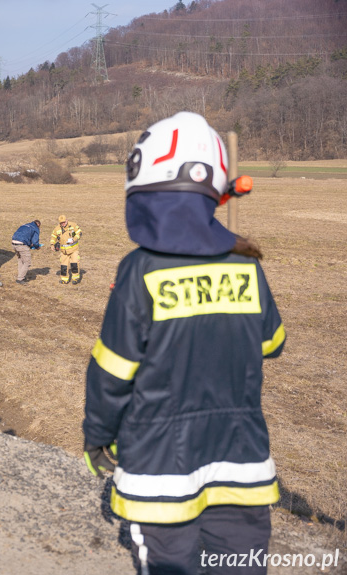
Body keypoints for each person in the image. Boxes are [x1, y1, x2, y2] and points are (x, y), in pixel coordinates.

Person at [82, 112, 285, 575]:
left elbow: (112, 371)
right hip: (241, 464)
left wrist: (98, 435)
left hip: (159, 468)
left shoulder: (141, 270)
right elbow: (273, 343)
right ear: (215, 188)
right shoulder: (246, 265)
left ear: (140, 183)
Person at [49, 215, 82, 284]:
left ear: (66, 220)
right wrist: (52, 244)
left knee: (74, 264)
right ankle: (64, 279)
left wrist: (74, 239)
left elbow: (79, 233)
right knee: (64, 266)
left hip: (73, 250)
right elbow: (53, 236)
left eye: (64, 222)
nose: (63, 224)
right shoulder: (57, 228)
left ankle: (75, 279)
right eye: (61, 223)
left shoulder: (73, 225)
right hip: (64, 251)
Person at [11, 220, 42, 284]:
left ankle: (20, 276)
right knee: (27, 262)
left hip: (13, 243)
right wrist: (37, 247)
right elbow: (35, 241)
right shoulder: (35, 228)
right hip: (21, 245)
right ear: (38, 225)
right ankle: (20, 279)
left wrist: (29, 244)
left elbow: (23, 235)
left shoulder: (24, 225)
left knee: (21, 261)